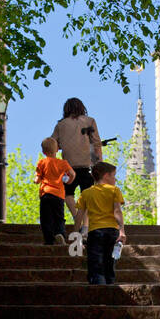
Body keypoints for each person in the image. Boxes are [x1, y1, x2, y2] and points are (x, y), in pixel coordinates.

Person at [52, 97, 103, 234]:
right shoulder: (90, 121)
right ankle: (85, 227)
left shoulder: (60, 125)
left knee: (67, 194)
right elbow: (97, 144)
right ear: (82, 108)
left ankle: (76, 217)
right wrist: (99, 164)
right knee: (86, 197)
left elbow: (53, 145)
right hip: (86, 166)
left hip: (68, 167)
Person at [76, 161, 127, 285]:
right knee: (110, 264)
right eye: (113, 176)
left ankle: (98, 292)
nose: (115, 179)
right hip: (112, 232)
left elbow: (79, 216)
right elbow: (117, 212)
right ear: (106, 176)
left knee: (96, 265)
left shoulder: (86, 193)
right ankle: (109, 291)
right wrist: (122, 231)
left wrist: (76, 235)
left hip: (95, 232)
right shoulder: (114, 190)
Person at [35, 137, 75, 245]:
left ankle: (49, 240)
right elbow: (72, 174)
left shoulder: (42, 162)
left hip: (46, 193)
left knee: (46, 218)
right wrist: (69, 181)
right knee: (59, 217)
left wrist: (36, 181)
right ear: (57, 150)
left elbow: (37, 178)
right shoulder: (63, 163)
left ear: (43, 151)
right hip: (59, 195)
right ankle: (61, 234)